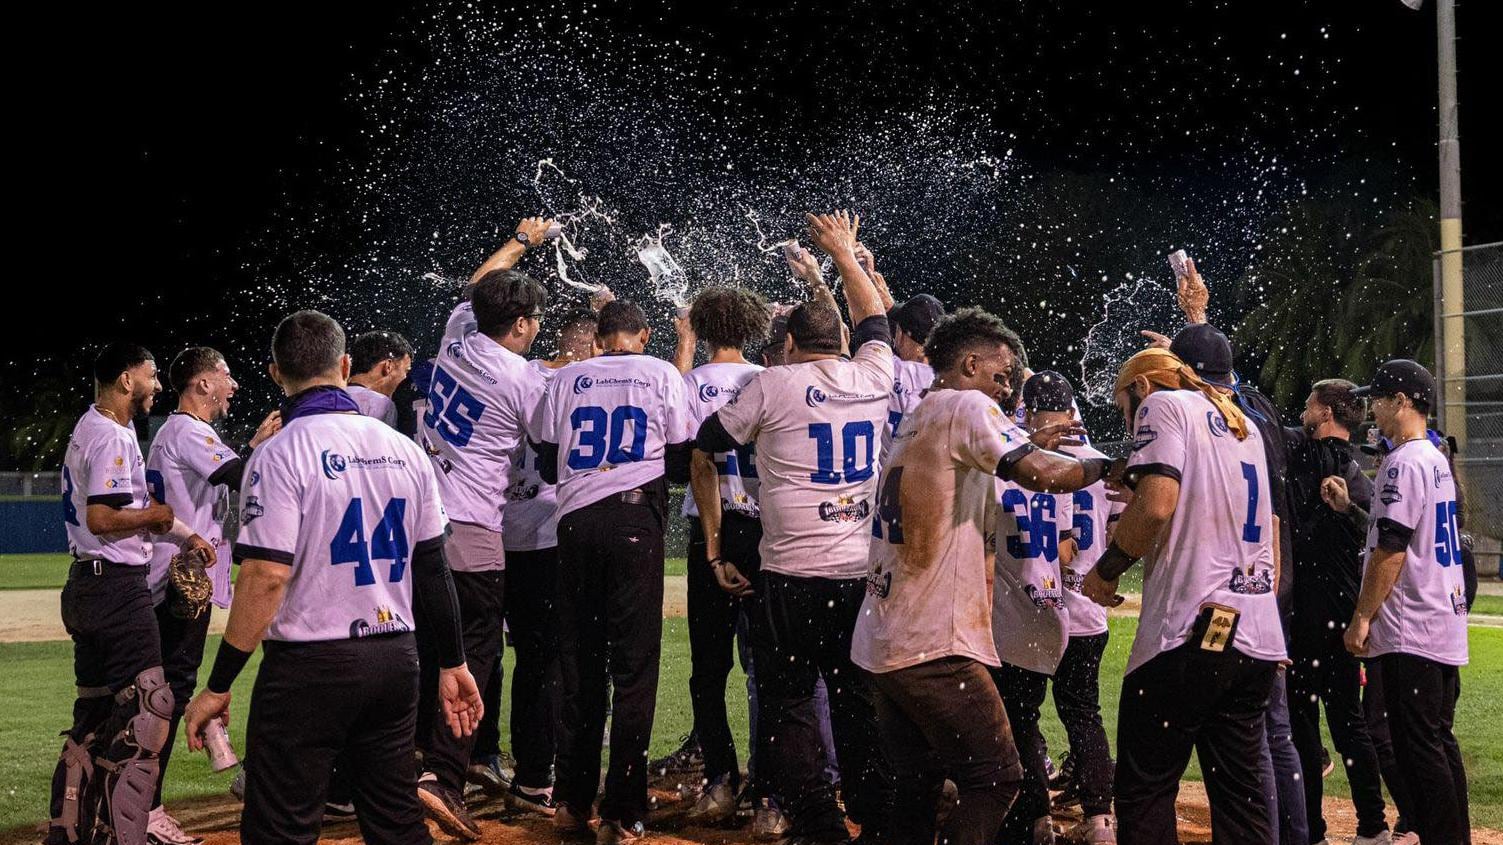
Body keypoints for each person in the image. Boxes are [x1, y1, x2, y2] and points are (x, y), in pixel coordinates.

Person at [182, 309, 483, 845]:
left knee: (282, 828)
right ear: (345, 365)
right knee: (396, 822)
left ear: (276, 373)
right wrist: (454, 661)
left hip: (310, 667)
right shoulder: (406, 450)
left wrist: (219, 683)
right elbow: (434, 569)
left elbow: (266, 577)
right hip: (396, 658)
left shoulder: (277, 454)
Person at [852, 312, 1120, 845]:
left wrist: (1029, 438)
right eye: (1000, 376)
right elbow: (1045, 473)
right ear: (970, 364)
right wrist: (1117, 465)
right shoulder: (967, 405)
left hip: (882, 635)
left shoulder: (920, 412)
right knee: (997, 777)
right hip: (931, 641)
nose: (1004, 389)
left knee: (919, 780)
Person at [694, 211, 899, 844]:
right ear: (842, 339)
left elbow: (707, 445)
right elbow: (875, 320)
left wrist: (715, 544)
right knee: (856, 699)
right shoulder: (875, 376)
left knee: (786, 704)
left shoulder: (774, 385)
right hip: (858, 574)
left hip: (789, 573)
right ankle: (873, 808)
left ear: (787, 345)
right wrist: (844, 255)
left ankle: (816, 823)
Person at [1083, 347, 1286, 845]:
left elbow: (1157, 506)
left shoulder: (1162, 404)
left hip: (1190, 629)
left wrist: (1106, 571)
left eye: (1123, 404)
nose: (1127, 418)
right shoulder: (1242, 422)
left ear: (1143, 386)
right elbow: (1247, 517)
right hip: (1254, 630)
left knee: (1145, 788)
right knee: (1240, 794)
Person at [533, 299, 695, 844]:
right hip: (634, 521)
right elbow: (678, 459)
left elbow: (545, 451)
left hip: (575, 525)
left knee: (578, 666)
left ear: (600, 338)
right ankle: (622, 813)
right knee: (633, 670)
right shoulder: (660, 372)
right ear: (643, 335)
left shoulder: (569, 377)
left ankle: (571, 803)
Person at [413, 219, 553, 839]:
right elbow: (553, 450)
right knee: (474, 656)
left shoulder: (458, 337)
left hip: (415, 523)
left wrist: (521, 243)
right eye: (535, 319)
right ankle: (442, 778)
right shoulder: (524, 378)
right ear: (521, 325)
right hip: (470, 528)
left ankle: (403, 768)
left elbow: (476, 287)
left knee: (424, 653)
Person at [47, 343, 211, 845]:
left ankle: (67, 831)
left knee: (94, 720)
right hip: (117, 589)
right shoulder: (115, 436)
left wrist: (184, 534)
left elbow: (122, 509)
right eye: (151, 375)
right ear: (125, 380)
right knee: (149, 711)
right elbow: (105, 517)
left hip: (86, 584)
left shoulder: (88, 426)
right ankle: (124, 834)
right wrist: (158, 518)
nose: (157, 385)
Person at [1166, 322, 1305, 845]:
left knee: (1245, 738)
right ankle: (1294, 835)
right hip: (1267, 582)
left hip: (1231, 591)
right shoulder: (1257, 413)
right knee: (1274, 730)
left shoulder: (1207, 419)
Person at [143, 347, 279, 845]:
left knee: (168, 692)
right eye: (224, 376)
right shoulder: (187, 430)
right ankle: (147, 809)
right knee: (168, 696)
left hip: (175, 581)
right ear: (201, 384)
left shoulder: (183, 433)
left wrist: (257, 446)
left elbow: (235, 471)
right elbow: (245, 477)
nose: (233, 386)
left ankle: (137, 804)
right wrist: (268, 450)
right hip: (172, 585)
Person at [475, 308, 600, 816]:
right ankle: (532, 780)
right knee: (542, 663)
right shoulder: (574, 385)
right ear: (589, 345)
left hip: (484, 532)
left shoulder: (511, 372)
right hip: (544, 541)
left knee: (477, 654)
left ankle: (470, 758)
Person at [1343, 359, 1470, 844]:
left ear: (1401, 402)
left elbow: (1391, 549)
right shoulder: (1434, 456)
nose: (1372, 408)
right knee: (1438, 741)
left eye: (1378, 398)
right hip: (1440, 618)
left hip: (1409, 625)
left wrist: (1362, 617)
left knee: (1419, 748)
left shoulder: (1404, 461)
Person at [676, 286, 772, 823]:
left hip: (709, 529)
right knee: (767, 667)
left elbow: (693, 461)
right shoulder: (768, 380)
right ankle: (769, 786)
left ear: (707, 329)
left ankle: (720, 781)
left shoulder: (688, 384)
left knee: (707, 669)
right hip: (765, 534)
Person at [1281, 379, 1390, 844]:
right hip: (1344, 612)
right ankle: (1373, 827)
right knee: (1350, 725)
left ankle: (1313, 831)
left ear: (1325, 413)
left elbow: (1260, 422)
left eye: (1310, 403)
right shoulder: (1361, 474)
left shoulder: (1299, 455)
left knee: (1302, 722)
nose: (1304, 410)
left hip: (1307, 614)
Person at [1025, 371, 1119, 844]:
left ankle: (1037, 817)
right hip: (1089, 613)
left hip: (1037, 608)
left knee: (1023, 715)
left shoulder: (1035, 461)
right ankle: (1101, 818)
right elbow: (1124, 531)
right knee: (1084, 713)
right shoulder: (1100, 461)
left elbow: (1059, 550)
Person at [883, 293, 942, 449]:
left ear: (900, 336)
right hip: (925, 471)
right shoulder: (951, 379)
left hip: (886, 472)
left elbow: (866, 325)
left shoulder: (886, 368)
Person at [346, 330, 414, 428]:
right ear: (388, 366)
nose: (405, 377)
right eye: (406, 371)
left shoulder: (328, 394)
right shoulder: (382, 404)